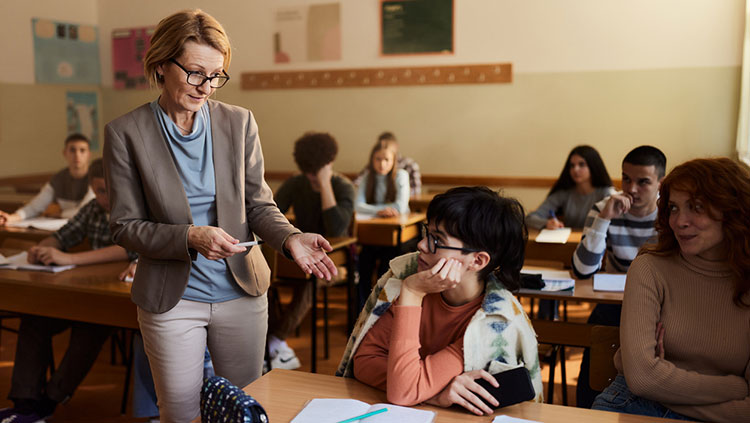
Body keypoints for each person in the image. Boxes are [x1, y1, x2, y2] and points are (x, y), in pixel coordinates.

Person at [102, 10, 336, 422]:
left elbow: (258, 204)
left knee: (245, 409)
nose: (206, 87)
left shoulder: (239, 122)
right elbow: (124, 226)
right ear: (161, 65)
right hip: (171, 300)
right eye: (195, 73)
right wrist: (190, 237)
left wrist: (289, 237)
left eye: (216, 75)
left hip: (242, 291)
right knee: (180, 413)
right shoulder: (126, 133)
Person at [337, 187, 543, 416]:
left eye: (437, 240)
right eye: (427, 233)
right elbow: (365, 361)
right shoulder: (409, 280)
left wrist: (413, 294)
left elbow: (402, 392)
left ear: (477, 260)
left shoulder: (490, 323)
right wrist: (433, 393)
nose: (422, 245)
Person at [592, 157, 750, 422]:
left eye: (696, 207)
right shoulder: (650, 268)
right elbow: (642, 379)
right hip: (633, 406)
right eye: (674, 208)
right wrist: (736, 387)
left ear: (734, 211)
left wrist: (662, 385)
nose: (679, 221)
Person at [0, 159, 137, 422]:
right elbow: (63, 235)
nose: (105, 198)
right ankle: (24, 403)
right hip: (86, 293)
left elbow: (128, 248)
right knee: (34, 319)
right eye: (99, 191)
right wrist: (42, 247)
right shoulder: (93, 209)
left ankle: (50, 400)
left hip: (114, 300)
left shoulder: (132, 208)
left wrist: (69, 259)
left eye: (110, 190)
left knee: (90, 329)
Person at [572, 145, 666, 408]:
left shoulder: (670, 214)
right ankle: (586, 410)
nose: (631, 188)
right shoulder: (605, 207)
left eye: (643, 182)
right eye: (626, 178)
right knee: (597, 336)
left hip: (659, 307)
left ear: (661, 182)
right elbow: (582, 270)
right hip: (614, 302)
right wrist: (604, 219)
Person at [268, 131, 355, 369]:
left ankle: (274, 342)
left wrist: (325, 184)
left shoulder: (343, 186)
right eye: (309, 174)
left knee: (312, 277)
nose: (313, 178)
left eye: (317, 173)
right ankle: (271, 344)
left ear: (329, 164)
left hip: (334, 262)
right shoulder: (296, 183)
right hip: (298, 258)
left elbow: (337, 228)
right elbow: (271, 213)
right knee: (261, 275)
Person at [355, 140, 411, 309]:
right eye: (378, 159)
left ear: (393, 160)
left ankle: (380, 312)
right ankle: (361, 313)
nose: (382, 164)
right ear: (372, 160)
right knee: (362, 268)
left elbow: (400, 206)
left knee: (385, 271)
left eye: (386, 159)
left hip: (397, 235)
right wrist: (382, 210)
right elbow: (358, 206)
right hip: (374, 233)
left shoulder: (401, 175)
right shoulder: (367, 177)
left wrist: (373, 209)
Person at [0, 133, 94, 225]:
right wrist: (12, 217)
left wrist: (60, 214)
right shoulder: (58, 179)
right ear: (65, 153)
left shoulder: (95, 178)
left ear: (89, 154)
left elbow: (85, 211)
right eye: (72, 150)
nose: (77, 155)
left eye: (82, 150)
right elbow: (35, 206)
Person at [526, 145, 614, 230]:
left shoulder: (606, 193)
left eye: (581, 164)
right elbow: (530, 218)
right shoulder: (565, 192)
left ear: (593, 166)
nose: (575, 169)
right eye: (572, 165)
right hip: (569, 243)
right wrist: (547, 223)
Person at [354, 132, 422, 196]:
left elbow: (416, 191)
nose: (382, 164)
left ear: (396, 146)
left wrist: (402, 191)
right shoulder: (373, 166)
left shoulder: (407, 167)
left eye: (387, 160)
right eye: (380, 145)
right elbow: (357, 184)